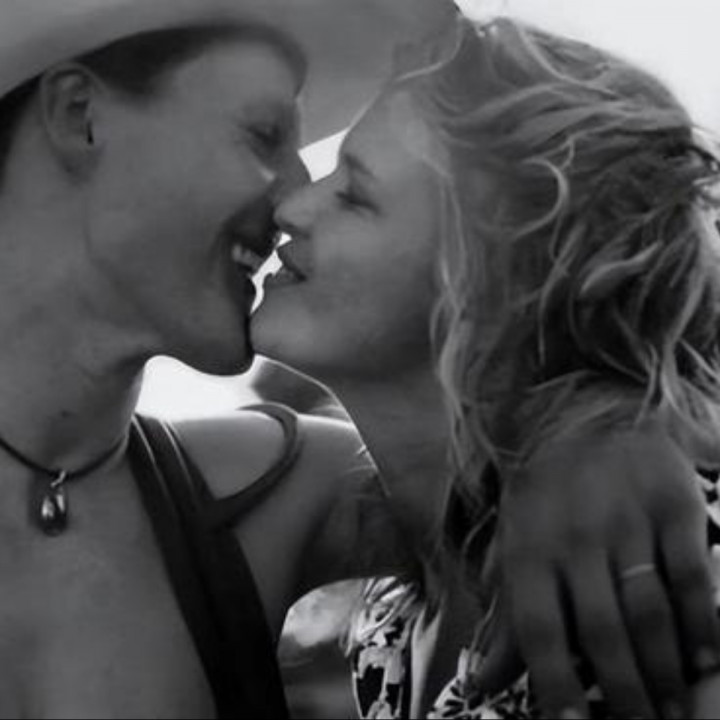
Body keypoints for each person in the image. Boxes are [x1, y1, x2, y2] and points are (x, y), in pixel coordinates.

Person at [251, 14, 720, 719]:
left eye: (356, 195)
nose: (291, 207)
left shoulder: (666, 555)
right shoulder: (392, 613)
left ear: (492, 283)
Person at [0, 1, 456, 717]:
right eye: (265, 134)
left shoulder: (279, 493)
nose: (298, 199)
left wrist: (600, 435)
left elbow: (497, 499)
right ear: (80, 114)